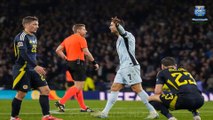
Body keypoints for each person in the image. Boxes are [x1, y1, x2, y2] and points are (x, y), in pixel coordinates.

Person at [91, 17, 159, 119]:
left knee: (137, 88)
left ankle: (153, 112)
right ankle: (104, 113)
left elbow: (123, 32)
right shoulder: (118, 39)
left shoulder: (127, 36)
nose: (110, 27)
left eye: (111, 25)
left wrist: (118, 25)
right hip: (123, 67)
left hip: (130, 66)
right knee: (114, 88)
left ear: (118, 26)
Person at [11, 16, 62, 120]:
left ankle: (46, 116)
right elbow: (23, 54)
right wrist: (35, 66)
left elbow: (31, 55)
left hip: (33, 69)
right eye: (34, 24)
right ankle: (14, 117)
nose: (37, 26)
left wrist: (35, 66)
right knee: (21, 94)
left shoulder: (33, 37)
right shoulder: (21, 36)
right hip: (23, 69)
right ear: (25, 25)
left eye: (37, 24)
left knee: (46, 90)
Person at [55, 24, 99, 112]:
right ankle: (61, 101)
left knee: (78, 86)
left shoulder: (67, 39)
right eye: (84, 29)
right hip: (78, 63)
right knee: (79, 86)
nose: (86, 31)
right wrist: (94, 62)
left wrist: (65, 58)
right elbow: (86, 52)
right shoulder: (81, 39)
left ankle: (83, 107)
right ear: (78, 30)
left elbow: (58, 50)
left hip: (70, 64)